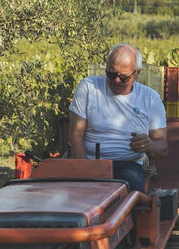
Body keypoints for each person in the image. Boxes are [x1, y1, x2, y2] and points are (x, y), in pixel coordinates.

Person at [69, 42, 168, 193]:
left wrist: (149, 145)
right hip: (90, 161)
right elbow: (76, 136)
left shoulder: (150, 98)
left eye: (123, 77)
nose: (116, 81)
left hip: (127, 165)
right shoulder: (88, 87)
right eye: (111, 74)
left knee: (132, 195)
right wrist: (84, 171)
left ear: (137, 73)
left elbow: (163, 148)